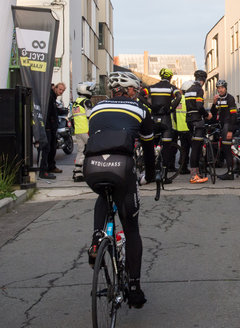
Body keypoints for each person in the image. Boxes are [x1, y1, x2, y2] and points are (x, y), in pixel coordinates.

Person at [83, 71, 155, 309]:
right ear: (131, 90)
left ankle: (97, 238)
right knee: (131, 229)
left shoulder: (96, 108)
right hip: (123, 168)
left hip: (92, 167)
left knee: (104, 193)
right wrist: (152, 175)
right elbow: (148, 147)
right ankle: (134, 287)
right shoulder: (140, 109)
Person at [144, 68, 180, 176]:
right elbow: (179, 96)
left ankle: (150, 172)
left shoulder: (152, 87)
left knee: (151, 145)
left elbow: (140, 95)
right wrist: (171, 108)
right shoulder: (171, 88)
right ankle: (164, 175)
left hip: (154, 118)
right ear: (170, 77)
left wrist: (150, 105)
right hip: (166, 118)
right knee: (166, 146)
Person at [185, 69, 213, 183]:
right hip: (197, 121)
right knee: (196, 149)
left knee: (195, 147)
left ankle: (197, 173)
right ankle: (194, 176)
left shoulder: (188, 90)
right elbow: (199, 106)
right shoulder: (199, 90)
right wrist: (207, 115)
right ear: (204, 80)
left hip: (189, 121)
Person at [210, 79, 238, 180]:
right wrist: (213, 103)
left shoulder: (230, 98)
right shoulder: (217, 98)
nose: (220, 90)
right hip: (221, 125)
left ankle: (230, 173)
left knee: (227, 149)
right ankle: (232, 170)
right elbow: (213, 113)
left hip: (228, 125)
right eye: (218, 88)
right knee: (224, 148)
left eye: (222, 88)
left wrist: (230, 130)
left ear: (225, 88)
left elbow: (233, 115)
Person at [40, 82, 66, 179]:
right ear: (55, 88)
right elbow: (48, 112)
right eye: (60, 89)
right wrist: (48, 125)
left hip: (51, 127)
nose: (61, 92)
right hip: (48, 127)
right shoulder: (50, 97)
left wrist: (62, 111)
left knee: (52, 148)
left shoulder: (53, 98)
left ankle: (51, 167)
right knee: (47, 149)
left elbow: (54, 111)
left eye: (63, 90)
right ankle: (44, 170)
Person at [72, 81, 95, 182]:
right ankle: (92, 170)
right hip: (86, 130)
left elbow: (71, 117)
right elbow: (91, 116)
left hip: (78, 130)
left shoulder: (75, 102)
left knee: (81, 151)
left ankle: (77, 172)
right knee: (92, 150)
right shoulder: (86, 101)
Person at [172, 81, 192, 175]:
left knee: (184, 149)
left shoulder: (176, 100)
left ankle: (183, 167)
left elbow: (174, 116)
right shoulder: (189, 100)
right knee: (195, 148)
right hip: (189, 128)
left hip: (180, 128)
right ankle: (198, 168)